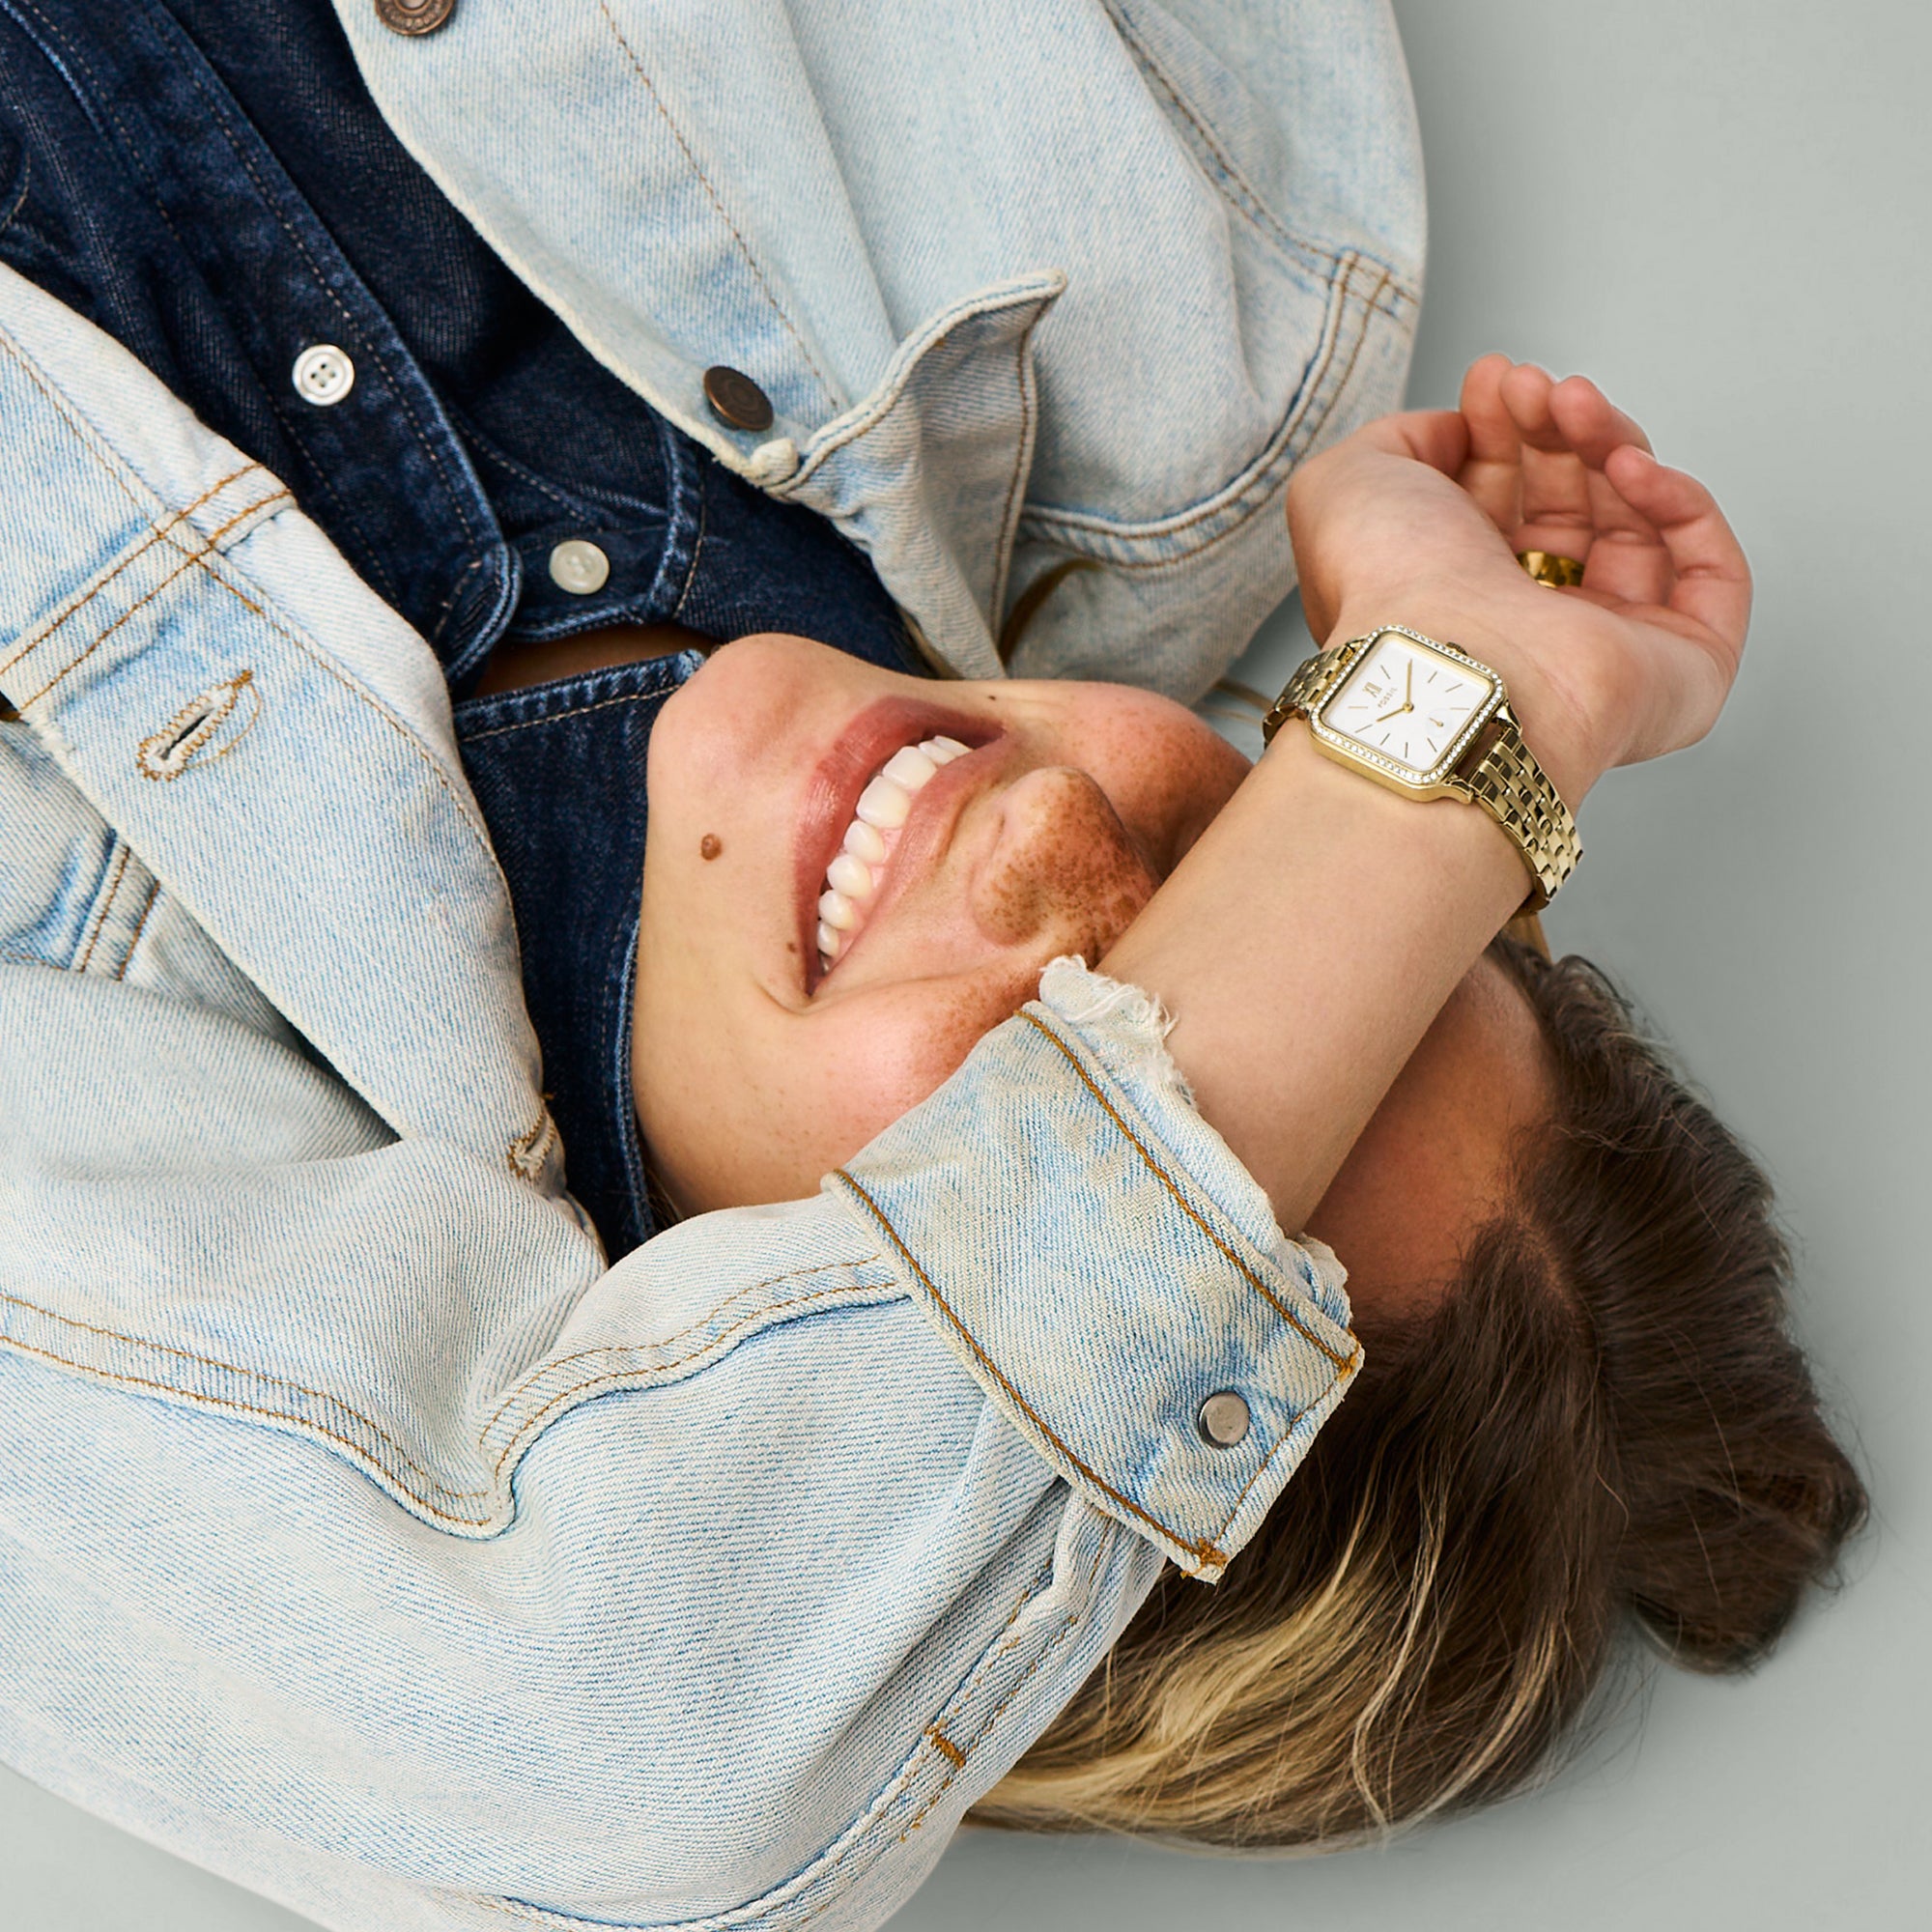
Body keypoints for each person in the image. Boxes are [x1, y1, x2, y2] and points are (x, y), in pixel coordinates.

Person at [0, 5, 1861, 1930]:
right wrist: (1458, 710)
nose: (1057, 843)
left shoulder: (119, 1129)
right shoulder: (1198, 298)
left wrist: (1485, 725)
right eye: (1259, 849)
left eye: (1075, 1081)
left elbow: (646, 1758)